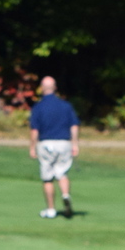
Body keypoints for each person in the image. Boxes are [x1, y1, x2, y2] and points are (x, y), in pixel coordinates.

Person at [29, 76, 80, 219]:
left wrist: (32, 147)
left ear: (42, 88)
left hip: (46, 144)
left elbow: (35, 130)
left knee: (48, 178)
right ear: (55, 87)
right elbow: (74, 126)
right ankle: (65, 194)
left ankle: (51, 209)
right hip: (64, 143)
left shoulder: (39, 107)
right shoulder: (66, 106)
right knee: (62, 173)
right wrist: (75, 144)